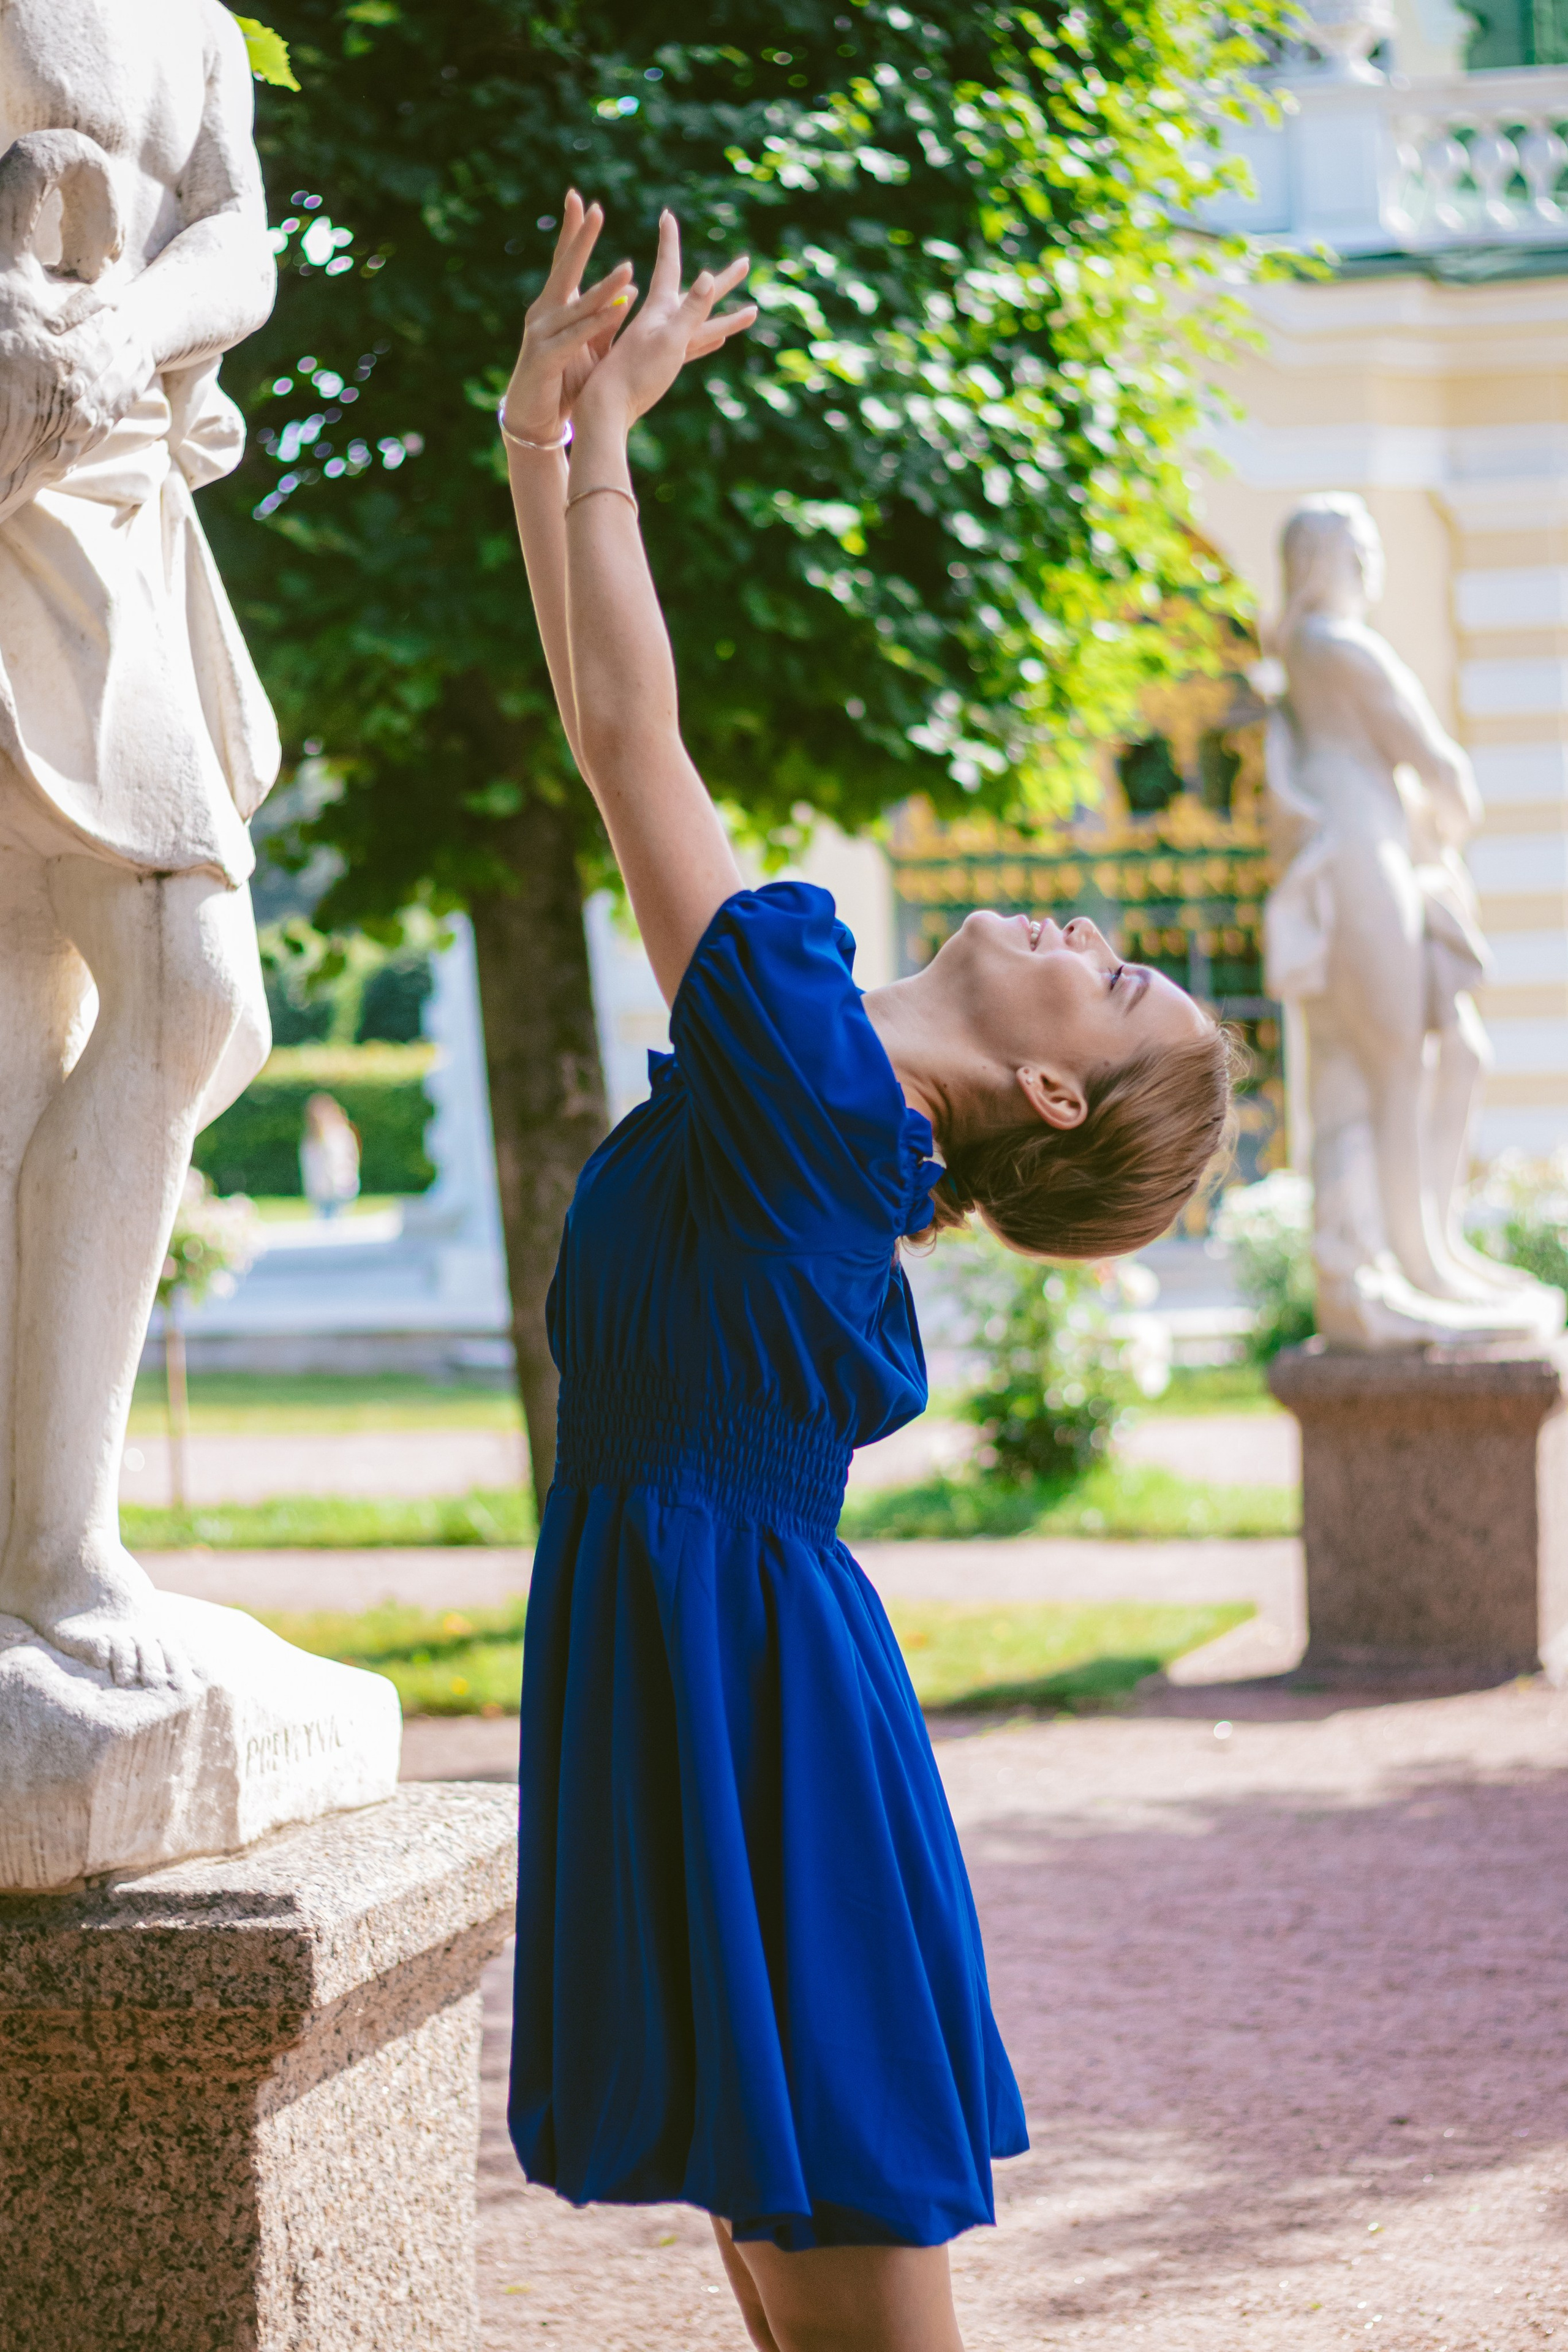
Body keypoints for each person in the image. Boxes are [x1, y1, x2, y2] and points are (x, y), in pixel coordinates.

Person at [499, 194, 1234, 2352]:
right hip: (707, 1645)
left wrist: (608, 449)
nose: (1087, 932)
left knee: (823, 2234)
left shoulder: (823, 1091)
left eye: (1116, 984)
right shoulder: (802, 1096)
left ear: (1048, 1090)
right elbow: (600, 740)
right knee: (778, 2223)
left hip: (735, 1673)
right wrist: (540, 448)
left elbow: (644, 753)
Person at [0, 1, 277, 1692]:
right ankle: (48, 1548)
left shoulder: (190, 21)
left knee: (190, 994)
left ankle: (54, 1537)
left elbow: (235, 230)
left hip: (106, 489)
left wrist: (127, 339)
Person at [300, 1092, 362, 1221]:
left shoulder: (340, 1134)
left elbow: (347, 1159)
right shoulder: (310, 1138)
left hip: (340, 1187)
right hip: (320, 1191)